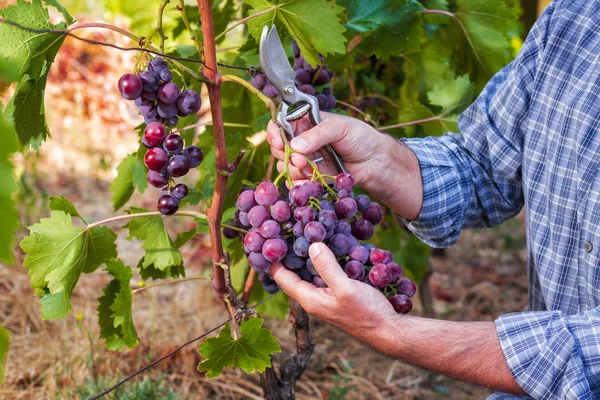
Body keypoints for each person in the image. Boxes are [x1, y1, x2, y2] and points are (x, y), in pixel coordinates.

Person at [265, 1, 600, 399]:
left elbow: (584, 352)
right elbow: (485, 165)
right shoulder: (575, 19)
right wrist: (382, 162)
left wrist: (392, 332)